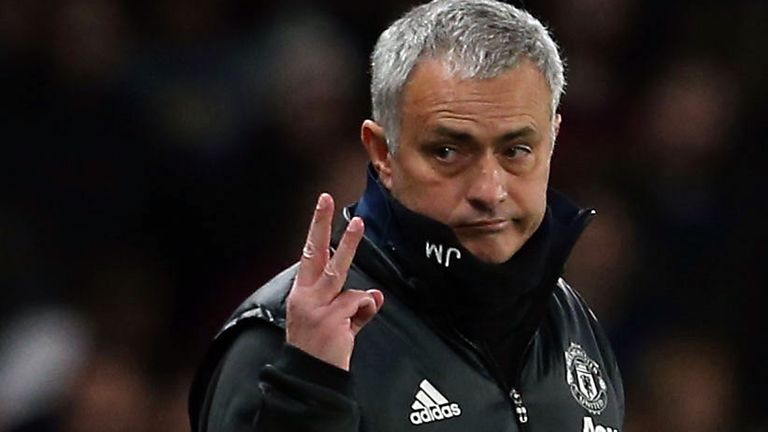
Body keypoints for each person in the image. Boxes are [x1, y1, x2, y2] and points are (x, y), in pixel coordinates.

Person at [188, 0, 625, 431]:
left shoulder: (570, 321)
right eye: (448, 152)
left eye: (516, 151)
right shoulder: (285, 341)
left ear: (553, 140)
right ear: (383, 153)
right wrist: (308, 402)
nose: (490, 191)